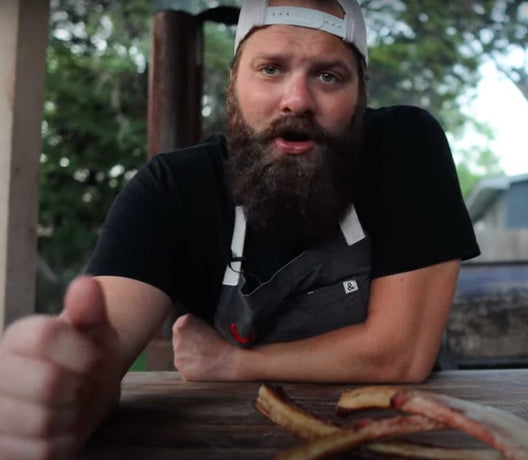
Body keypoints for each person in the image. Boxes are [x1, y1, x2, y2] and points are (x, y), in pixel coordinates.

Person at [0, 0, 479, 457]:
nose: (297, 100)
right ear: (233, 82)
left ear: (360, 96)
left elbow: (401, 355)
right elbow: (98, 353)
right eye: (271, 68)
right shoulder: (173, 188)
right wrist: (64, 390)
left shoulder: (405, 148)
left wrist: (234, 363)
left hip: (401, 432)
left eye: (329, 76)